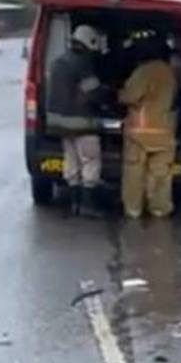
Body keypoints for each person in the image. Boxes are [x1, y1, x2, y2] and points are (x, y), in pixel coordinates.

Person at [45, 24, 107, 219]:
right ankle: (88, 206)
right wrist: (108, 99)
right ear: (90, 42)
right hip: (81, 123)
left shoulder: (57, 63)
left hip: (58, 124)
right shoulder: (82, 64)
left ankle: (74, 203)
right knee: (90, 161)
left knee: (71, 163)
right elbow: (94, 93)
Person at [119, 37, 178, 219]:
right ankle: (159, 209)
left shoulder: (143, 72)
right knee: (161, 175)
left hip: (140, 133)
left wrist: (119, 93)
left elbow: (129, 96)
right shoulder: (170, 73)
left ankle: (134, 210)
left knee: (134, 173)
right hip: (164, 132)